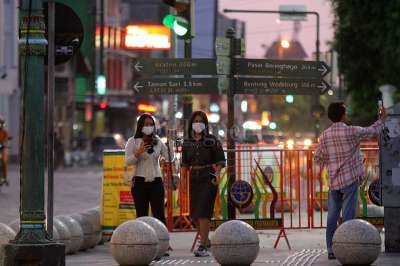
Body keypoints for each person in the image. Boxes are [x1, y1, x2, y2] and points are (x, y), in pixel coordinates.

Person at [315, 102, 385, 260]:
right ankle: (346, 247)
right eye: (346, 113)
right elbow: (372, 130)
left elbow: (318, 158)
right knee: (348, 215)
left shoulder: (325, 135)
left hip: (333, 181)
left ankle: (331, 250)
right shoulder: (351, 131)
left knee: (332, 216)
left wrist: (332, 161)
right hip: (350, 179)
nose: (347, 116)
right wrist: (382, 118)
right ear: (342, 115)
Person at [181, 111, 226, 257]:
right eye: (195, 121)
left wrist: (217, 174)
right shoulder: (187, 142)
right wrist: (183, 181)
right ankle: (206, 242)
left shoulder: (212, 140)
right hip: (194, 177)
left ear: (205, 124)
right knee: (195, 214)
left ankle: (203, 245)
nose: (198, 123)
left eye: (200, 121)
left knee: (204, 212)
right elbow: (184, 164)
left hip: (208, 177)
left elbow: (220, 160)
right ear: (191, 124)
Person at [125, 113, 174, 226]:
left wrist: (170, 142)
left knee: (159, 215)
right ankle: (143, 242)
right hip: (139, 183)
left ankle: (163, 242)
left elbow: (169, 158)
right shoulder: (132, 141)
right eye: (146, 124)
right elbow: (128, 162)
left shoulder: (157, 141)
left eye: (151, 124)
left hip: (156, 182)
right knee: (142, 216)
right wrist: (138, 152)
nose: (149, 126)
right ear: (140, 125)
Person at [0, 116, 10, 185]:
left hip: (2, 148)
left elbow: (6, 139)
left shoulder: (4, 132)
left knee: (4, 161)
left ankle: (5, 177)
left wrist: (5, 144)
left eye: (2, 122)